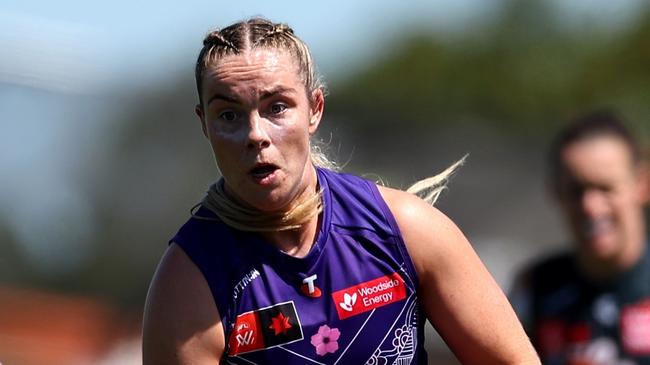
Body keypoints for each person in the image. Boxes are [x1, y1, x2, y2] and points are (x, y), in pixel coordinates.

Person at [142, 17, 539, 365]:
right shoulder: (189, 280)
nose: (255, 135)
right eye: (228, 115)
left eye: (277, 107)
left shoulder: (405, 229)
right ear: (204, 125)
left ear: (314, 109)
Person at [510, 111, 650, 365]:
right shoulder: (534, 288)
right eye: (577, 191)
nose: (591, 207)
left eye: (605, 188)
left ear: (641, 184)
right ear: (555, 192)